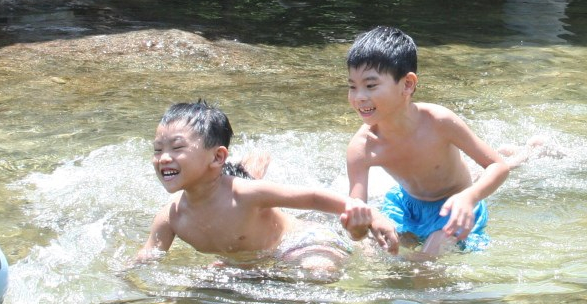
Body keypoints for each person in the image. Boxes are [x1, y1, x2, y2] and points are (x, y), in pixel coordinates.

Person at [134, 100, 397, 278]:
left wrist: (372, 215)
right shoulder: (171, 217)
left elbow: (313, 198)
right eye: (157, 149)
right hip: (246, 264)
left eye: (177, 148)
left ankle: (362, 245)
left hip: (299, 243)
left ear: (217, 157)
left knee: (319, 273)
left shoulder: (245, 194)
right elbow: (148, 256)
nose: (163, 158)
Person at [339, 26, 512, 260]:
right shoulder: (362, 147)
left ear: (407, 84)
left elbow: (498, 166)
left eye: (370, 86)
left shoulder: (438, 121)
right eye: (352, 86)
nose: (359, 97)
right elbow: (356, 212)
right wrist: (363, 223)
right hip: (405, 206)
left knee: (427, 259)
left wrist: (469, 197)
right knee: (374, 251)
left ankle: (527, 152)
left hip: (455, 205)